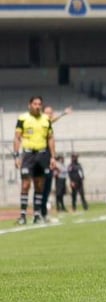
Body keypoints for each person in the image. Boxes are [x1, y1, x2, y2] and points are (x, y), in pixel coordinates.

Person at [12, 96, 57, 225]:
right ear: (29, 105)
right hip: (28, 155)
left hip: (42, 155)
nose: (37, 106)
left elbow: (50, 138)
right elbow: (17, 138)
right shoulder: (22, 118)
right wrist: (16, 156)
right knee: (26, 184)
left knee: (39, 185)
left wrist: (53, 157)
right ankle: (22, 215)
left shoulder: (46, 120)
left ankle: (37, 215)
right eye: (35, 104)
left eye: (39, 104)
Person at [39, 105, 71, 222]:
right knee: (40, 186)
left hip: (47, 156)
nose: (50, 115)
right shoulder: (40, 122)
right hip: (39, 156)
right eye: (48, 113)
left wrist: (52, 157)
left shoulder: (48, 124)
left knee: (47, 185)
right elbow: (51, 120)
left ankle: (43, 213)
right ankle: (39, 213)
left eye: (51, 113)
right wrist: (63, 113)